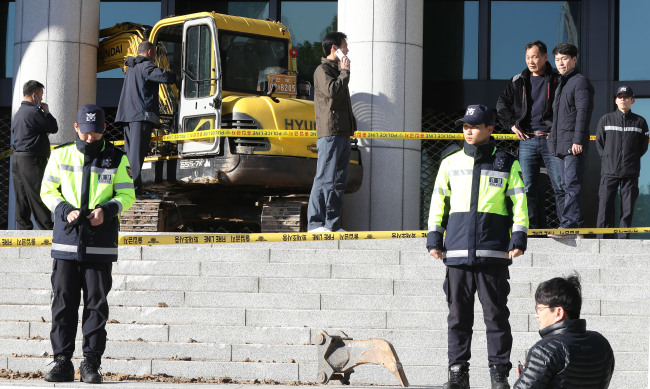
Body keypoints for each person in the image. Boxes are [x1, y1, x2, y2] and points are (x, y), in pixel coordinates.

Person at [427, 104, 528, 389]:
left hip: (493, 252)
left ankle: (499, 375)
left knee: (497, 317)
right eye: (465, 126)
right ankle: (458, 374)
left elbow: (519, 204)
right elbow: (438, 204)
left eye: (474, 126)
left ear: (490, 129)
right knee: (458, 318)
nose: (468, 131)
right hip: (457, 253)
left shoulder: (508, 163)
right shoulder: (449, 161)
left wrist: (518, 238)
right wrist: (434, 238)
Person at [40, 105, 136, 383]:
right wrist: (65, 210)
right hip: (67, 243)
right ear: (76, 127)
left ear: (104, 129)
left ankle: (91, 363)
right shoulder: (60, 155)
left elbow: (127, 194)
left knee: (96, 305)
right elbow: (47, 190)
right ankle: (62, 362)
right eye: (85, 131)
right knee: (63, 304)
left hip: (99, 244)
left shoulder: (117, 158)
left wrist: (106, 211)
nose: (90, 137)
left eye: (95, 132)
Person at [496, 41, 564, 229]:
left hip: (552, 139)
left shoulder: (558, 79)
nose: (531, 61)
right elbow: (501, 104)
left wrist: (558, 130)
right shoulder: (518, 80)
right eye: (527, 57)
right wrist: (511, 124)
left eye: (534, 56)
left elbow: (569, 108)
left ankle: (566, 227)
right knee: (527, 188)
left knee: (560, 184)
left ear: (545, 57)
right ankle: (531, 229)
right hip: (527, 140)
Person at [513, 274, 615, 388]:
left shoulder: (545, 349)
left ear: (558, 312)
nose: (536, 315)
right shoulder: (601, 343)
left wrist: (527, 378)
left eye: (540, 309)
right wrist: (532, 374)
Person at [307, 31, 357, 233]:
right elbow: (332, 92)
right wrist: (345, 73)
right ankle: (315, 223)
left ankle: (332, 224)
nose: (347, 50)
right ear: (334, 49)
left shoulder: (336, 70)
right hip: (330, 133)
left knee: (338, 182)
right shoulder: (323, 70)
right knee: (325, 178)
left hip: (343, 133)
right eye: (345, 46)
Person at [115, 41, 176, 197]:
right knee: (136, 157)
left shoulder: (132, 68)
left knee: (130, 156)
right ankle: (133, 191)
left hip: (128, 116)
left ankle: (128, 188)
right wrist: (175, 74)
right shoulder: (145, 66)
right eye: (155, 53)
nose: (155, 56)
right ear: (149, 52)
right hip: (140, 117)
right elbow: (163, 76)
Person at [547, 43, 594, 237]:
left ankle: (569, 226)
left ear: (574, 59)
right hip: (559, 144)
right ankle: (576, 226)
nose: (561, 63)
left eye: (564, 58)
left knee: (572, 185)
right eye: (557, 59)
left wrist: (578, 140)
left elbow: (584, 113)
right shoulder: (561, 83)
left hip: (573, 145)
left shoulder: (580, 81)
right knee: (565, 187)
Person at [595, 86, 649, 239]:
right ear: (615, 100)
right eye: (620, 97)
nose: (623, 99)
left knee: (628, 208)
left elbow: (643, 147)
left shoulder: (640, 122)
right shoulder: (606, 119)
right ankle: (602, 239)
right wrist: (608, 159)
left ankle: (623, 239)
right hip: (608, 171)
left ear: (632, 100)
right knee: (605, 206)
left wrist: (631, 159)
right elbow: (600, 144)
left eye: (626, 97)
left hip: (630, 172)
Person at [11, 80, 58, 230]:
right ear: (34, 95)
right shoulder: (33, 112)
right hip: (32, 160)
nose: (42, 99)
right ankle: (47, 230)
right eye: (41, 95)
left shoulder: (19, 113)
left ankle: (23, 230)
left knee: (21, 196)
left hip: (18, 159)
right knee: (38, 194)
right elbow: (53, 127)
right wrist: (47, 112)